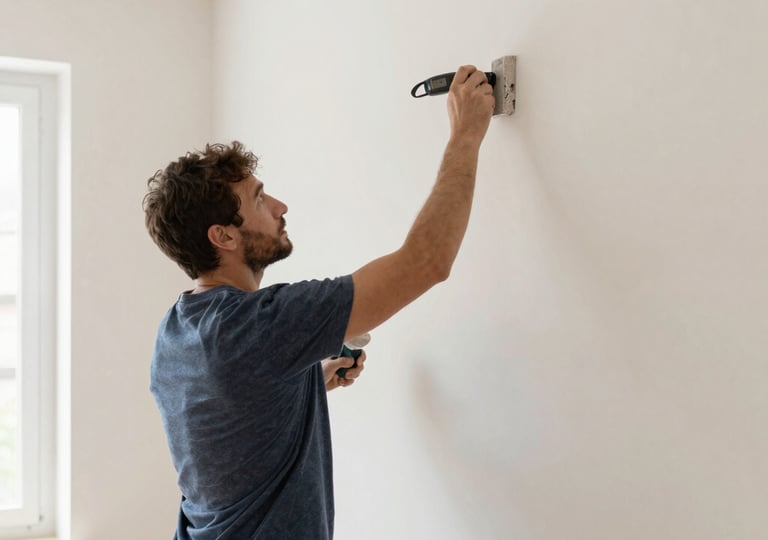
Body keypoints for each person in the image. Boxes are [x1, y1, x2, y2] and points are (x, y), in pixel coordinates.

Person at [143, 65, 495, 540]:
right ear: (223, 236)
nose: (280, 207)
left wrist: (306, 381)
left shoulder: (177, 329)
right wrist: (466, 135)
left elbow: (226, 424)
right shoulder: (259, 326)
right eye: (259, 199)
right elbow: (426, 262)